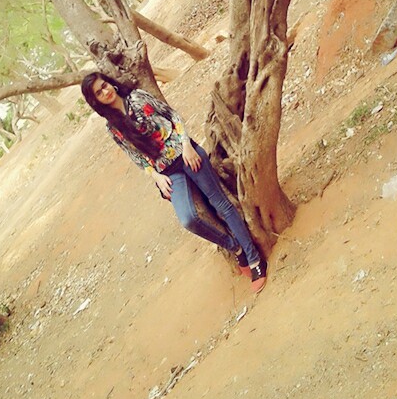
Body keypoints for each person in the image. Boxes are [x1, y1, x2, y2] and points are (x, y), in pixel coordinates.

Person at [81, 72, 267, 294]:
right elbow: (135, 155)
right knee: (188, 219)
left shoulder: (138, 97)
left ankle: (254, 259)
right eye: (99, 93)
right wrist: (155, 176)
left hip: (187, 155)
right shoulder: (113, 128)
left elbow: (173, 116)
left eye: (105, 85)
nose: (105, 92)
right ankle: (235, 248)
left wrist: (187, 145)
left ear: (111, 83)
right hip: (167, 173)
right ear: (96, 101)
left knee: (221, 205)